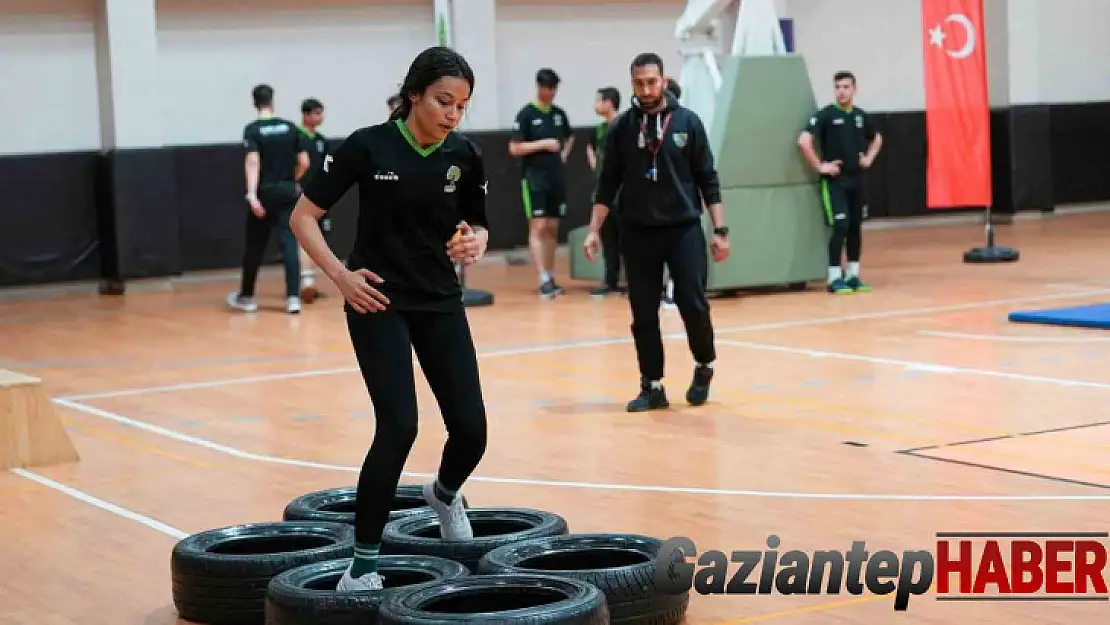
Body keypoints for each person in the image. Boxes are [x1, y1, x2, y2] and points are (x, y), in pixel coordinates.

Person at [289, 46, 489, 592]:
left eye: (462, 105)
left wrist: (476, 243)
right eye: (444, 101)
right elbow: (303, 217)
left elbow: (478, 223)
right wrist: (340, 276)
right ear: (414, 96)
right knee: (399, 425)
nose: (452, 113)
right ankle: (363, 566)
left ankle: (444, 494)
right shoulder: (366, 146)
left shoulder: (465, 155)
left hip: (441, 300)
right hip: (376, 301)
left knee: (472, 432)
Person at [584, 53, 729, 412]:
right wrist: (593, 231)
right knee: (643, 312)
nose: (646, 89)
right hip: (637, 232)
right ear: (631, 84)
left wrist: (720, 229)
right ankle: (652, 385)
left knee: (692, 304)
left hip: (682, 229)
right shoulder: (621, 128)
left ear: (664, 81)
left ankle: (704, 363)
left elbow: (708, 179)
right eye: (639, 83)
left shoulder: (688, 123)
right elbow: (606, 185)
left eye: (652, 81)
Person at [797, 70, 883, 294]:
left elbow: (877, 138)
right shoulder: (825, 115)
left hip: (858, 180)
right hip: (836, 182)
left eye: (846, 87)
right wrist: (820, 166)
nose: (841, 91)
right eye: (838, 87)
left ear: (855, 89)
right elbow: (804, 141)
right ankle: (834, 277)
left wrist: (869, 157)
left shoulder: (860, 116)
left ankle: (853, 275)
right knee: (841, 226)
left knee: (855, 226)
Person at [228, 84, 311, 315]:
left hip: (265, 194)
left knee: (255, 246)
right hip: (287, 193)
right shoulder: (289, 127)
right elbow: (304, 162)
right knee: (289, 245)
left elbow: (253, 162)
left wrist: (252, 195)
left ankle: (246, 297)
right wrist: (292, 180)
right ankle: (293, 298)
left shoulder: (253, 130)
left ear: (255, 102)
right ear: (272, 101)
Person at [509, 68, 574, 299]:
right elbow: (515, 148)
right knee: (537, 227)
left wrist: (563, 154)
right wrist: (543, 144)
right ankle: (543, 278)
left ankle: (551, 275)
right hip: (535, 179)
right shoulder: (526, 114)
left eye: (554, 89)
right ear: (539, 87)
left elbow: (569, 136)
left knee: (552, 228)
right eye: (548, 88)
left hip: (555, 178)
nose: (551, 93)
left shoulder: (558, 114)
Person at [586, 86, 625, 297]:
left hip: (623, 192)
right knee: (607, 237)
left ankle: (629, 281)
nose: (595, 105)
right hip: (604, 192)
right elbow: (590, 147)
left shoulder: (624, 126)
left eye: (599, 100)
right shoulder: (598, 130)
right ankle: (610, 280)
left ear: (610, 103)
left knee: (626, 238)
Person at [296, 98, 330, 303]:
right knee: (303, 238)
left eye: (321, 113)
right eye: (316, 113)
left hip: (321, 197)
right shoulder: (296, 137)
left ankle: (311, 284)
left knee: (318, 240)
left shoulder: (321, 140)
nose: (320, 117)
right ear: (306, 115)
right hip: (302, 196)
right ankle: (305, 282)